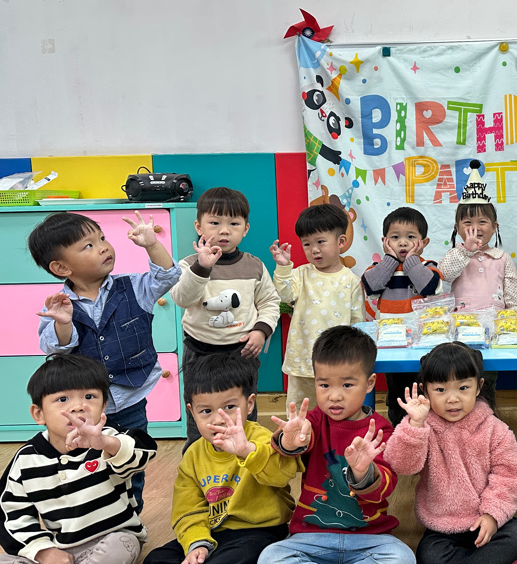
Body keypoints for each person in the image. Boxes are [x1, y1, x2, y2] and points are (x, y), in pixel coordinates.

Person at [109, 354, 300, 564]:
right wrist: (196, 544)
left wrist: (247, 452)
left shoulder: (260, 439)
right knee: (155, 563)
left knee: (244, 558)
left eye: (230, 407)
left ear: (249, 404)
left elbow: (281, 475)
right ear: (192, 412)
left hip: (261, 533)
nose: (219, 419)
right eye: (206, 411)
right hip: (215, 535)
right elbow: (188, 511)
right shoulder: (193, 456)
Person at [0, 355, 156, 564]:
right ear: (39, 414)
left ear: (104, 406)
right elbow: (11, 515)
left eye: (89, 397)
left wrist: (104, 443)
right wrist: (45, 552)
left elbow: (143, 453)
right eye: (62, 400)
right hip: (60, 553)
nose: (78, 406)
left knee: (124, 545)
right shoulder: (26, 460)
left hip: (110, 544)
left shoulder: (109, 441)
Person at [257, 326, 416, 564]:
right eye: (324, 384)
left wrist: (363, 471)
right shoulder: (313, 421)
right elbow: (297, 444)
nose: (334, 396)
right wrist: (288, 442)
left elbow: (385, 487)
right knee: (268, 562)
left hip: (369, 540)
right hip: (311, 537)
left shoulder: (380, 429)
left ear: (369, 383)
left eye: (347, 384)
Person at [29, 210, 178, 511]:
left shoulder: (133, 287)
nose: (103, 247)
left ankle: (131, 515)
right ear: (61, 267)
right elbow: (55, 349)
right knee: (87, 464)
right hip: (84, 407)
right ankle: (90, 515)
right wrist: (63, 323)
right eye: (88, 245)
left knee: (131, 459)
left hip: (131, 398)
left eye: (102, 238)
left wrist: (152, 244)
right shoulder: (59, 305)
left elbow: (167, 277)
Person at [383, 342, 517, 564]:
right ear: (425, 390)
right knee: (426, 560)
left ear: (479, 387)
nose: (452, 398)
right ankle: (500, 562)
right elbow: (402, 465)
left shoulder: (496, 430)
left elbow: (508, 477)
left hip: (485, 522)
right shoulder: (423, 426)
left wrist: (492, 515)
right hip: (442, 527)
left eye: (463, 388)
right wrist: (414, 425)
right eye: (440, 390)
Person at [170, 187, 280, 450]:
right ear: (199, 226)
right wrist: (202, 267)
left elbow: (269, 301)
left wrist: (261, 331)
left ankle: (244, 455)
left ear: (245, 229)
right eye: (214, 223)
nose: (224, 231)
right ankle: (197, 459)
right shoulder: (189, 264)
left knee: (242, 410)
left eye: (234, 224)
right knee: (201, 410)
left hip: (241, 352)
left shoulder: (254, 266)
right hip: (199, 351)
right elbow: (182, 298)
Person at [439, 161, 517, 410]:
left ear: (494, 227)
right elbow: (444, 274)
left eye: (482, 222)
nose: (475, 228)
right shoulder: (456, 254)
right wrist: (465, 251)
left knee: (487, 381)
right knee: (460, 380)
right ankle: (458, 420)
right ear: (457, 228)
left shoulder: (502, 258)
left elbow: (513, 296)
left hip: (494, 332)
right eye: (467, 223)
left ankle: (488, 421)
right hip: (461, 333)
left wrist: (514, 323)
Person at [272, 204, 365, 410]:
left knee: (336, 409)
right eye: (307, 244)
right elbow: (284, 295)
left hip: (337, 363)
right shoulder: (300, 274)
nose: (314, 249)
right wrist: (283, 267)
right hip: (302, 360)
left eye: (321, 241)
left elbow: (357, 324)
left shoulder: (351, 281)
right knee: (300, 413)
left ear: (341, 241)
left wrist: (354, 359)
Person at [361, 206, 443, 425]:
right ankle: (398, 429)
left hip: (422, 343)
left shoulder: (427, 266)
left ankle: (425, 429)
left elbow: (429, 287)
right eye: (395, 237)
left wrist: (412, 261)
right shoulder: (380, 268)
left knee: (423, 388)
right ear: (385, 241)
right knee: (398, 391)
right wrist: (389, 260)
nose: (403, 243)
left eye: (411, 237)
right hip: (391, 343)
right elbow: (371, 286)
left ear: (423, 242)